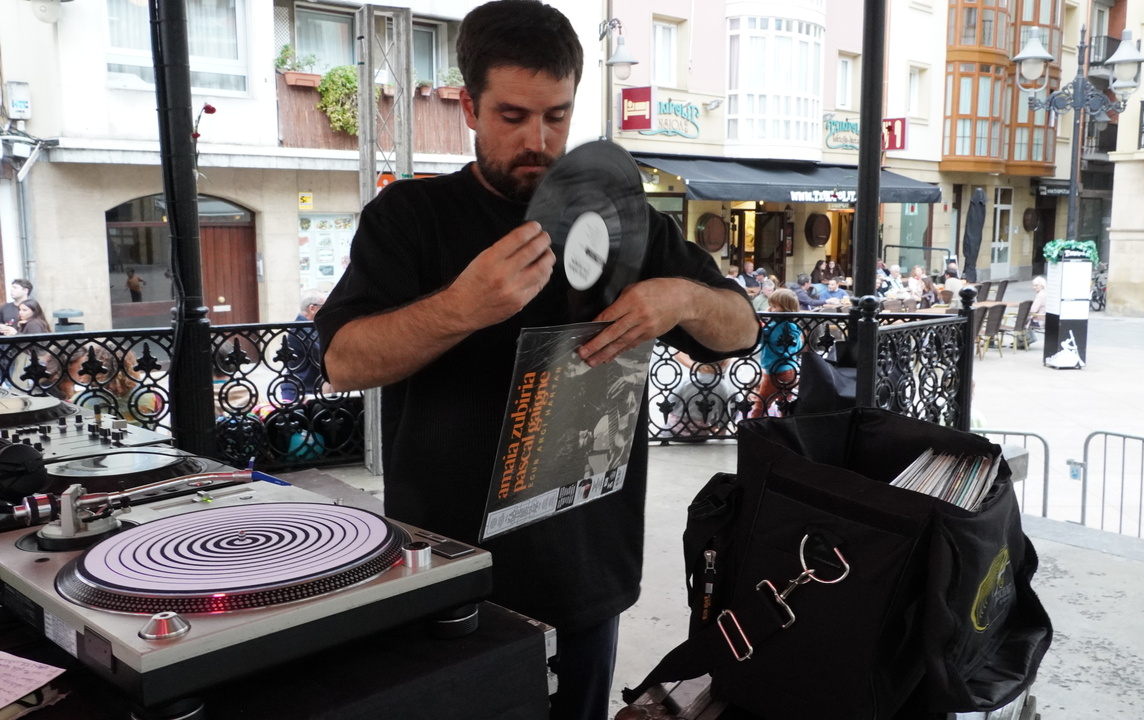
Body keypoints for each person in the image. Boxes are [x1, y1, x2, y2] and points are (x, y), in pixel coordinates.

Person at [312, 4, 759, 718]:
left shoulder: (625, 221)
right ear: (469, 107)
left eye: (557, 116)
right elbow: (343, 361)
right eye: (513, 116)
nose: (539, 140)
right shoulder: (410, 216)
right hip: (447, 574)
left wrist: (680, 298)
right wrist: (462, 306)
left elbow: (742, 329)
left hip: (584, 572)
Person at [751, 288, 802, 418]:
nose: (769, 309)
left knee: (761, 404)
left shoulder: (774, 327)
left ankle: (751, 426)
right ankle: (784, 425)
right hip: (790, 370)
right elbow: (798, 347)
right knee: (784, 404)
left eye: (774, 306)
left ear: (785, 309)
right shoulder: (794, 327)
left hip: (775, 370)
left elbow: (760, 339)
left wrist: (763, 324)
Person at [282, 289, 327, 402]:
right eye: (324, 306)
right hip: (300, 390)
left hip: (306, 387)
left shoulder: (308, 326)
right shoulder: (301, 328)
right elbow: (321, 355)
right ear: (312, 308)